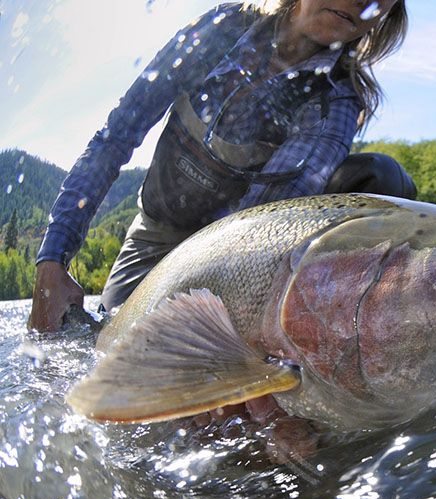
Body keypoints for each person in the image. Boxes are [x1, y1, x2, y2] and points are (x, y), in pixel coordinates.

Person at [28, 0, 415, 332]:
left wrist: (223, 332)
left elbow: (259, 232)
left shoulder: (338, 102)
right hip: (156, 231)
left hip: (240, 248)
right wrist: (52, 258)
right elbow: (114, 140)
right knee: (105, 345)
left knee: (381, 177)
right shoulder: (219, 30)